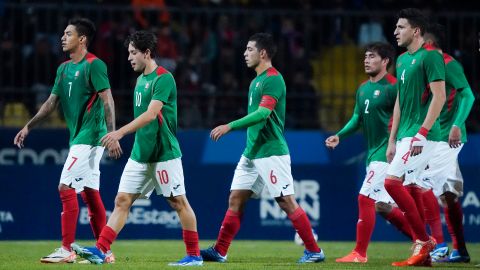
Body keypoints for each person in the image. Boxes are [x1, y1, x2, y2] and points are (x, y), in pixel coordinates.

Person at [71, 30, 202, 266]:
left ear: (147, 53)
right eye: (128, 53)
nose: (129, 57)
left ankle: (194, 255)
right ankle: (101, 250)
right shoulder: (140, 81)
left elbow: (151, 115)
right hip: (140, 155)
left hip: (164, 154)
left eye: (133, 53)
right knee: (122, 200)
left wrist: (119, 132)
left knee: (178, 203)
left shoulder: (164, 79)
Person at [200, 33, 325, 264]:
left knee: (286, 201)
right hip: (252, 152)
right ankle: (220, 250)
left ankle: (314, 251)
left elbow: (263, 114)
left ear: (263, 53)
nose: (244, 53)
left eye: (249, 49)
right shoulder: (255, 81)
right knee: (236, 198)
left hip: (271, 151)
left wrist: (230, 126)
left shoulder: (273, 79)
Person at [13, 18, 122, 263]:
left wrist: (112, 133)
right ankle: (104, 252)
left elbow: (108, 100)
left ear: (81, 39)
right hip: (78, 137)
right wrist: (28, 126)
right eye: (63, 33)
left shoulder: (95, 65)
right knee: (90, 193)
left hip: (91, 136)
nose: (62, 37)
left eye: (68, 33)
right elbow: (51, 103)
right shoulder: (63, 69)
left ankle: (66, 249)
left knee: (65, 187)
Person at [326, 42, 413, 263]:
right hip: (372, 152)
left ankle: (359, 253)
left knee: (365, 197)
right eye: (365, 56)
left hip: (387, 152)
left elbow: (406, 115)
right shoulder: (363, 88)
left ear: (385, 62)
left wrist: (399, 144)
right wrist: (340, 135)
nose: (366, 60)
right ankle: (424, 240)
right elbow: (357, 118)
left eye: (372, 56)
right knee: (382, 206)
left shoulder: (394, 87)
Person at [384, 8, 446, 267]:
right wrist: (392, 139)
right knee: (410, 187)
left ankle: (425, 241)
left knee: (391, 183)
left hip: (424, 134)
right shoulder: (400, 60)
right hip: (405, 135)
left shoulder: (430, 57)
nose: (395, 32)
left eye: (400, 27)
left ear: (416, 31)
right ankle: (424, 256)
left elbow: (439, 96)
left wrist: (421, 133)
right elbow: (400, 100)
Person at [418, 24, 474, 263]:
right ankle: (458, 249)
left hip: (447, 138)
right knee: (447, 195)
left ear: (428, 42)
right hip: (433, 137)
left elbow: (468, 95)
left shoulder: (449, 64)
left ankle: (438, 245)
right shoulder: (425, 66)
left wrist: (456, 124)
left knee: (420, 183)